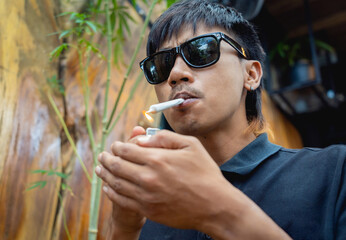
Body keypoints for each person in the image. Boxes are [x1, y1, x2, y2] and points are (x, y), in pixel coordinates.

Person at [95, 0, 346, 239]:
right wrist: (124, 227)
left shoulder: (335, 173)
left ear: (251, 74)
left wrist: (219, 211)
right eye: (160, 65)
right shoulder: (155, 202)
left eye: (200, 51)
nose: (175, 74)